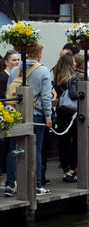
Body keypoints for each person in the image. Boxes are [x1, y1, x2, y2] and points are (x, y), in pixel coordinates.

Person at [6, 45, 53, 195]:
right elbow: (46, 96)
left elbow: (9, 92)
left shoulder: (15, 70)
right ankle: (36, 185)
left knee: (15, 149)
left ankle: (10, 184)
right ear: (39, 54)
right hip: (36, 113)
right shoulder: (43, 70)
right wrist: (48, 116)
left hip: (17, 114)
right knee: (36, 149)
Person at [53, 54, 82, 183]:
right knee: (75, 141)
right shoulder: (73, 79)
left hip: (61, 112)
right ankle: (73, 169)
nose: (76, 63)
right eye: (74, 61)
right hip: (72, 113)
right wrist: (82, 94)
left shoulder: (57, 79)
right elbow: (73, 94)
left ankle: (65, 169)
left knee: (63, 142)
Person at [0, 51, 20, 181]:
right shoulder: (3, 77)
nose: (17, 62)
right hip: (5, 112)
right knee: (6, 144)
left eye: (18, 60)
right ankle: (6, 173)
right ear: (6, 62)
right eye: (14, 60)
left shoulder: (16, 76)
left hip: (12, 112)